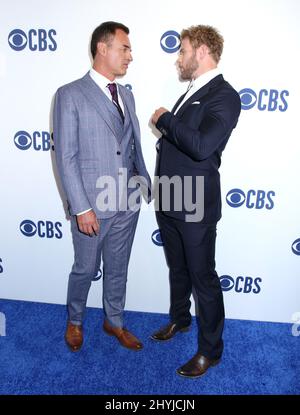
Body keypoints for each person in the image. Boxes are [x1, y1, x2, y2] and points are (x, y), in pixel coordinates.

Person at [53, 21, 151, 352]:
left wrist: (141, 184)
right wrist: (81, 207)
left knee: (118, 267)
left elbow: (131, 144)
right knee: (85, 268)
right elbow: (66, 157)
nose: (130, 56)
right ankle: (75, 321)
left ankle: (115, 321)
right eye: (125, 48)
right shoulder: (69, 94)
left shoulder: (127, 94)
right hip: (92, 205)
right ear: (102, 48)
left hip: (127, 201)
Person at [151, 25, 241, 377]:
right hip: (170, 195)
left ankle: (210, 351)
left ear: (201, 51)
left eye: (183, 50)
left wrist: (165, 119)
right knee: (178, 269)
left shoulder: (225, 95)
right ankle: (179, 320)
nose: (179, 58)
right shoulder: (192, 91)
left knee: (203, 277)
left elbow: (203, 146)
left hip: (196, 203)